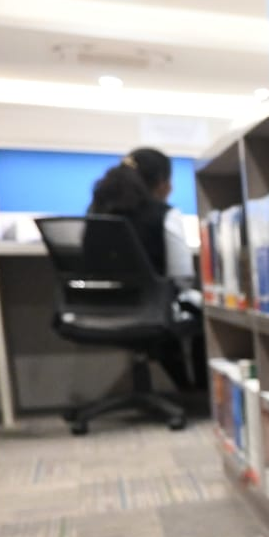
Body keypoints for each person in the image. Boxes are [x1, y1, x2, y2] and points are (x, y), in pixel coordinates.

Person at [87, 147, 204, 390]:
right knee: (203, 311)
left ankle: (184, 388)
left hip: (98, 310)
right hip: (150, 311)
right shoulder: (164, 215)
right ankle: (196, 390)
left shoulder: (95, 214)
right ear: (162, 182)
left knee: (166, 304)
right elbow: (182, 277)